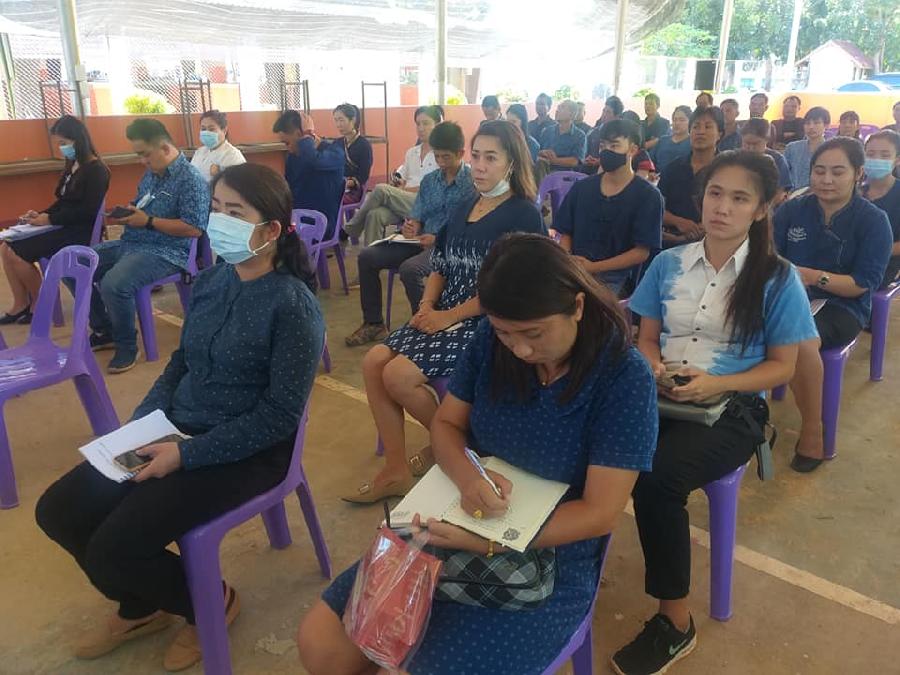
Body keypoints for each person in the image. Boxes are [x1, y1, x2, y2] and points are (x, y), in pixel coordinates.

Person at [298, 234, 658, 675]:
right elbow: (447, 425)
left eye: (534, 333)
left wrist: (493, 540)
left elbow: (599, 513)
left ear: (577, 307)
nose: (520, 349)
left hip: (550, 554)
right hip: (459, 518)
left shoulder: (624, 376)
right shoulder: (490, 340)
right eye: (506, 332)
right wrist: (468, 476)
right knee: (322, 644)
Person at [36, 163, 324, 673]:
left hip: (247, 452)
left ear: (271, 230)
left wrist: (185, 455)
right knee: (59, 510)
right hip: (176, 428)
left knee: (115, 547)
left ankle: (209, 603)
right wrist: (142, 423)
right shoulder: (212, 280)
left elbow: (279, 416)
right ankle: (141, 606)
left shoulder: (293, 305)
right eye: (216, 209)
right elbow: (181, 363)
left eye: (236, 213)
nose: (220, 221)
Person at [612, 150, 818, 675]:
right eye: (715, 194)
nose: (722, 207)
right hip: (660, 391)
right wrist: (654, 366)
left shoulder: (776, 277)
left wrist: (716, 383)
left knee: (657, 478)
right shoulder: (668, 263)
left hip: (733, 407)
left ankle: (675, 622)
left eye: (739, 198)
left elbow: (782, 367)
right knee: (583, 439)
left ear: (762, 209)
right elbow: (647, 338)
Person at [341, 121, 546, 503]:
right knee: (373, 363)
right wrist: (426, 306)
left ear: (512, 163)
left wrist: (447, 317)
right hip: (443, 313)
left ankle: (455, 444)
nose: (480, 166)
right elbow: (440, 264)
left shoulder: (523, 215)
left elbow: (509, 291)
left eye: (491, 158)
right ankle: (397, 469)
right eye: (477, 156)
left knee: (398, 376)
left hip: (486, 323)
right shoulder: (466, 204)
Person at [774, 138, 892, 472]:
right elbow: (772, 258)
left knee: (798, 338)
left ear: (858, 174)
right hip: (789, 295)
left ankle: (813, 428)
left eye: (838, 172)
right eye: (819, 171)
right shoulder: (792, 210)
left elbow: (861, 285)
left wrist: (811, 276)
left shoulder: (873, 221)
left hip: (843, 305)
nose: (826, 180)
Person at [86, 118, 208, 374]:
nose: (142, 161)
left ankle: (127, 346)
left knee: (114, 283)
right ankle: (105, 330)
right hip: (132, 242)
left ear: (165, 148)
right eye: (138, 155)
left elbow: (194, 228)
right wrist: (129, 212)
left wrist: (149, 221)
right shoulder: (151, 175)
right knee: (77, 264)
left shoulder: (191, 180)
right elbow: (142, 204)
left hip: (167, 251)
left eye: (145, 154)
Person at [345, 122, 476, 347]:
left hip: (448, 245)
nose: (441, 162)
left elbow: (470, 226)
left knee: (410, 269)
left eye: (446, 157)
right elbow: (417, 213)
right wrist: (412, 225)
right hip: (421, 240)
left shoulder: (471, 183)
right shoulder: (430, 181)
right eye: (437, 156)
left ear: (460, 153)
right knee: (367, 256)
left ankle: (426, 325)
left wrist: (437, 239)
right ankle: (374, 323)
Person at [1, 115, 109, 325]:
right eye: (59, 143)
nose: (61, 148)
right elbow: (63, 201)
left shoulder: (96, 170)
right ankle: (20, 303)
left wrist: (49, 219)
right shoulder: (73, 165)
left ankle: (39, 304)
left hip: (77, 231)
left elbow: (86, 211)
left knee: (16, 253)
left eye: (63, 143)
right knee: (5, 247)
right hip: (61, 224)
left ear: (78, 140)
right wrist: (39, 215)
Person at [557, 119, 663, 297]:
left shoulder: (647, 196)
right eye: (602, 146)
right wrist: (568, 261)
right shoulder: (582, 188)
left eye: (614, 146)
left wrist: (594, 267)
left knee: (589, 305)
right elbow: (566, 232)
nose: (606, 151)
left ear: (632, 150)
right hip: (576, 268)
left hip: (616, 276)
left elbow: (641, 252)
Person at [343, 106, 443, 245]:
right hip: (405, 202)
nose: (421, 128)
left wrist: (402, 190)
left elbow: (433, 189)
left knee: (381, 189)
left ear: (437, 125)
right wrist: (397, 183)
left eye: (425, 123)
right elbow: (403, 178)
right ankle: (371, 256)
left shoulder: (442, 155)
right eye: (418, 124)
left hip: (425, 204)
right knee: (374, 215)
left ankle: (350, 229)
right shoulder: (412, 152)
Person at [657, 106, 724, 247]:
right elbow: (657, 208)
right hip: (671, 240)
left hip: (714, 241)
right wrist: (678, 222)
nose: (701, 132)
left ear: (719, 134)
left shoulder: (727, 171)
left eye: (708, 127)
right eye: (696, 127)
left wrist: (705, 227)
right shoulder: (673, 168)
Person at [273, 110, 345, 239]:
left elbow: (314, 162)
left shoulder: (335, 152)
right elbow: (288, 190)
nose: (288, 149)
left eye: (287, 143)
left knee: (280, 239)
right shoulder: (293, 157)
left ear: (300, 134)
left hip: (321, 224)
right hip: (297, 220)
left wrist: (306, 137)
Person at [862, 130, 900, 287]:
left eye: (885, 155)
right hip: (845, 258)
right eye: (870, 154)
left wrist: (875, 250)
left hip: (883, 264)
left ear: (897, 160)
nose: (876, 159)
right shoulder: (855, 191)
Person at [741, 118, 793, 204]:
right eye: (747, 143)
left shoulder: (777, 160)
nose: (751, 148)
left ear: (766, 140)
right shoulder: (736, 159)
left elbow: (780, 192)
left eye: (755, 144)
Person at [535, 100, 588, 183]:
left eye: (562, 107)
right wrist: (543, 153)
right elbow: (538, 152)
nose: (557, 110)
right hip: (544, 177)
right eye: (558, 107)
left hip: (567, 180)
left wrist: (554, 160)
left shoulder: (580, 136)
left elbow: (575, 161)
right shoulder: (547, 131)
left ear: (572, 114)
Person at [189, 109, 246, 183]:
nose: (206, 132)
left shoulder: (232, 155)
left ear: (224, 130)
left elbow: (238, 184)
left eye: (211, 129)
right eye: (203, 129)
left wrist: (219, 175)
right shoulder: (199, 152)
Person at [333, 103, 373, 205]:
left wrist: (344, 184)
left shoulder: (364, 145)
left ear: (353, 120)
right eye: (336, 120)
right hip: (337, 186)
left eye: (341, 120)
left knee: (328, 198)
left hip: (354, 190)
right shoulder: (337, 143)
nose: (338, 124)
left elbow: (363, 176)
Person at [784, 106, 830, 190]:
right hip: (794, 194)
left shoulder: (832, 150)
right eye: (807, 123)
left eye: (816, 123)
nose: (811, 127)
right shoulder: (792, 148)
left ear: (826, 125)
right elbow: (783, 175)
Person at [650, 105, 692, 174]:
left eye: (682, 120)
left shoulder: (693, 143)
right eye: (675, 120)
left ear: (691, 122)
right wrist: (651, 172)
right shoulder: (663, 141)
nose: (677, 123)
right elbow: (650, 161)